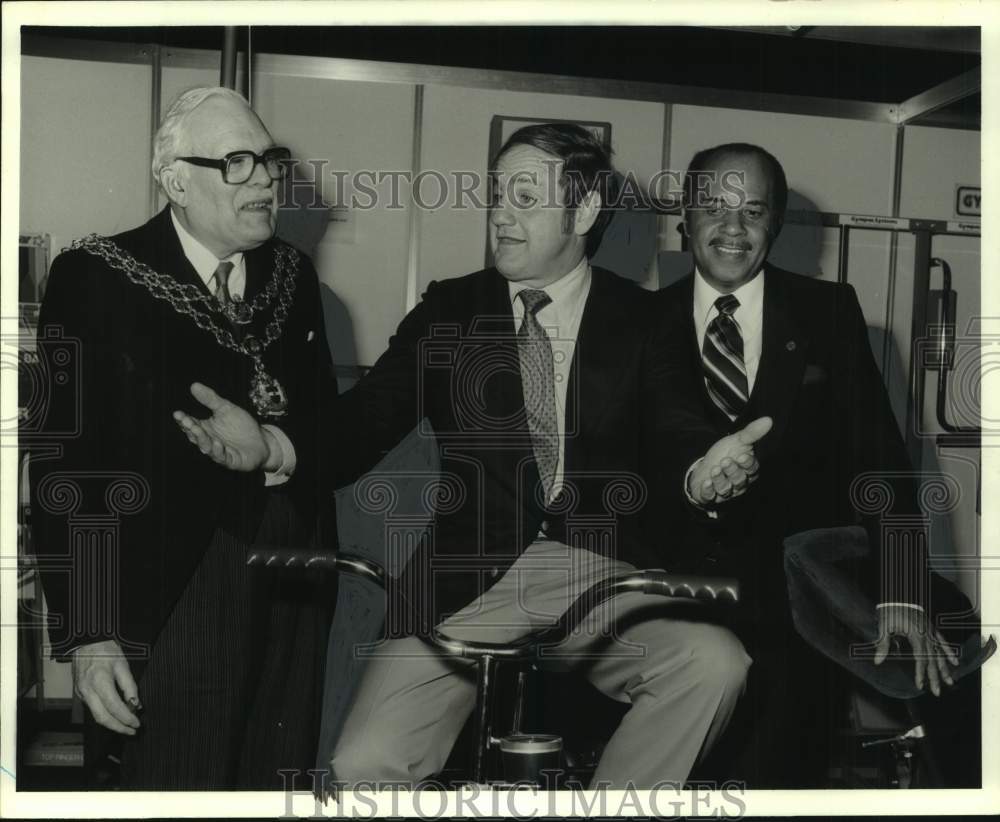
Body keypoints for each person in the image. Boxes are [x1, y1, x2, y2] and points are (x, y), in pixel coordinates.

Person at [174, 123, 772, 788]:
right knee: (364, 767)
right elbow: (364, 419)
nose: (501, 215)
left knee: (713, 666)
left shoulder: (647, 319)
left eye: (524, 197)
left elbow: (680, 426)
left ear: (584, 211)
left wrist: (704, 470)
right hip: (470, 575)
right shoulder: (450, 310)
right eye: (496, 195)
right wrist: (274, 444)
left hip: (603, 573)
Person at [29, 86, 337, 789]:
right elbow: (65, 463)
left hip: (297, 575)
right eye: (236, 162)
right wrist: (89, 629)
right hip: (175, 587)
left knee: (277, 783)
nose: (264, 178)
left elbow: (324, 425)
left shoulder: (295, 274)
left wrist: (280, 446)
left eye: (269, 160)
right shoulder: (96, 277)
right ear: (175, 180)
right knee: (180, 785)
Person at [657, 142, 965, 786]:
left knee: (784, 776)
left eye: (755, 211)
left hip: (796, 613)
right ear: (683, 216)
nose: (733, 228)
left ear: (775, 224)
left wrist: (902, 586)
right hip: (674, 603)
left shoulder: (829, 312)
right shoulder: (636, 321)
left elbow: (879, 460)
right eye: (714, 207)